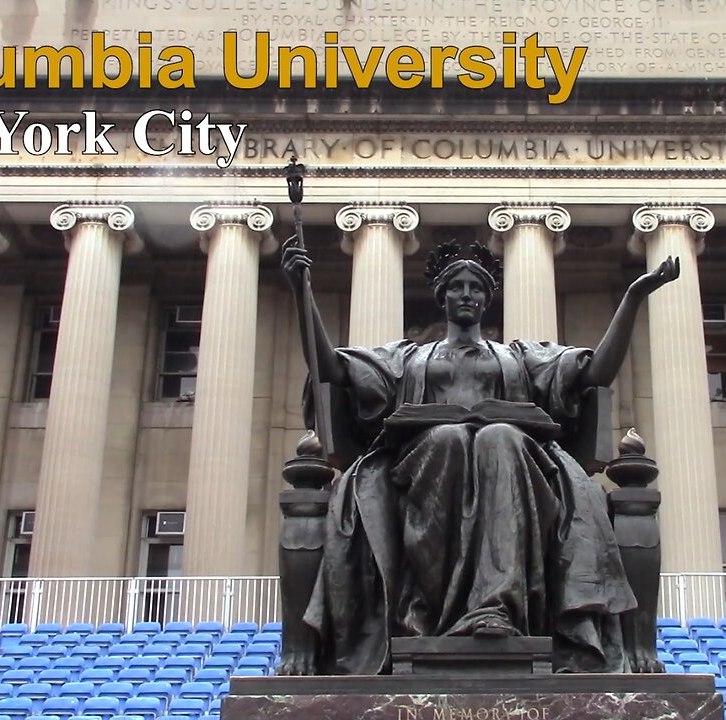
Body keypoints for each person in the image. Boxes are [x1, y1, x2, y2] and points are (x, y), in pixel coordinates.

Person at [279, 237, 681, 675]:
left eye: (476, 287)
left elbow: (596, 370)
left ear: (488, 299)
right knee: (449, 438)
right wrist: (302, 292)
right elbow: (330, 366)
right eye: (457, 286)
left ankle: (497, 607)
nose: (466, 294)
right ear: (442, 296)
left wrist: (633, 297)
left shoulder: (520, 358)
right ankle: (427, 610)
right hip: (425, 460)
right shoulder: (407, 358)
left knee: (499, 438)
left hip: (514, 461)